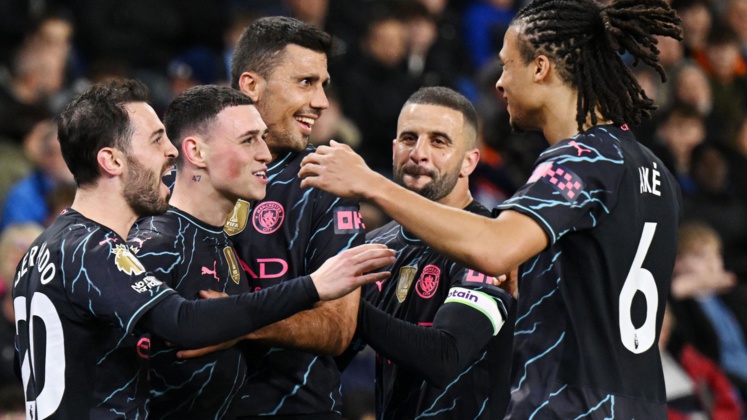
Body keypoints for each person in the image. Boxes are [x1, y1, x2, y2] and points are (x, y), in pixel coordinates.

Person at [299, 0, 683, 417]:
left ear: (540, 68)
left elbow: (494, 248)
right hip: (639, 404)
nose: (499, 83)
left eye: (506, 64)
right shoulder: (654, 169)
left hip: (568, 405)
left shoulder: (582, 158)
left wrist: (370, 183)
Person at [11, 79, 394, 419]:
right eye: (156, 140)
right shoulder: (95, 249)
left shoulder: (46, 248)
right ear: (112, 160)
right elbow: (183, 322)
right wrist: (313, 286)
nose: (171, 151)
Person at [211, 16, 366, 419]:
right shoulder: (178, 176)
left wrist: (231, 322)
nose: (322, 102)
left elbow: (338, 326)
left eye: (323, 85)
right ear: (251, 85)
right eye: (305, 82)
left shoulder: (327, 182)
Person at [348, 86, 516, 418]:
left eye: (439, 142)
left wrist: (346, 304)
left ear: (469, 162)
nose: (418, 154)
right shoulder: (375, 244)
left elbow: (444, 358)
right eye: (409, 139)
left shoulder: (488, 244)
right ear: (394, 149)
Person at [125, 85, 269, 418]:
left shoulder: (220, 239)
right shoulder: (157, 246)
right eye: (248, 140)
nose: (265, 154)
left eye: (263, 138)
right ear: (196, 152)